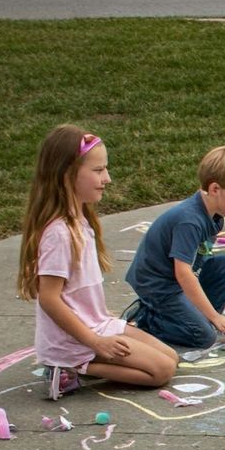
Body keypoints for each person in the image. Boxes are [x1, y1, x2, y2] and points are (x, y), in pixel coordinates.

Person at [18, 125, 177, 402]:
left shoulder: (80, 221)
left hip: (96, 324)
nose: (108, 178)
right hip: (75, 340)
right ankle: (69, 367)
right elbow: (49, 298)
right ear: (67, 173)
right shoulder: (59, 233)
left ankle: (81, 363)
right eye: (98, 170)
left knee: (171, 357)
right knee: (161, 371)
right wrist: (96, 344)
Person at [124, 146, 225, 354]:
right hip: (159, 285)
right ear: (215, 189)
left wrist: (209, 315)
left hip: (176, 282)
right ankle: (146, 319)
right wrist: (215, 316)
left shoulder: (214, 216)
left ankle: (195, 320)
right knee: (203, 337)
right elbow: (183, 273)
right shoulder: (190, 221)